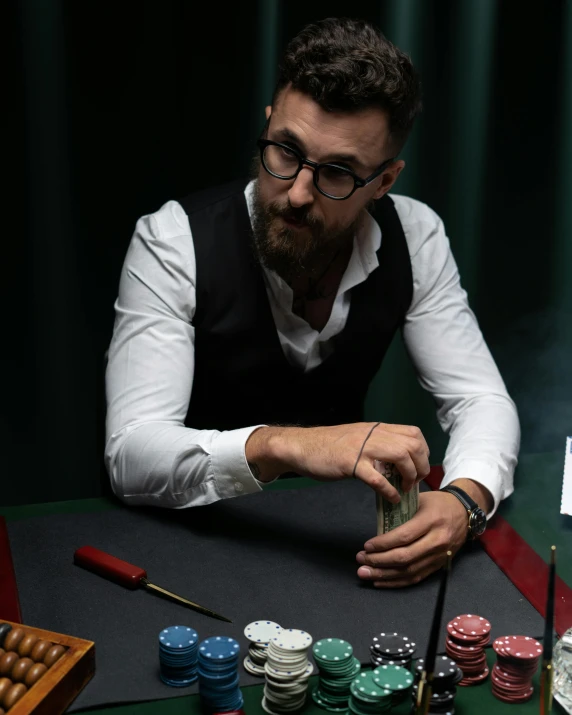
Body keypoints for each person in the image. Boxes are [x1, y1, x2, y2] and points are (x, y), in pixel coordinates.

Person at [105, 17, 520, 588]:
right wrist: (289, 444)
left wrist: (465, 503)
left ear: (384, 181)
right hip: (176, 543)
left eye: (338, 173)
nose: (297, 193)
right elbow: (131, 455)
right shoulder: (172, 240)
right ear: (269, 124)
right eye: (286, 151)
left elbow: (480, 400)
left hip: (330, 553)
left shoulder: (415, 236)